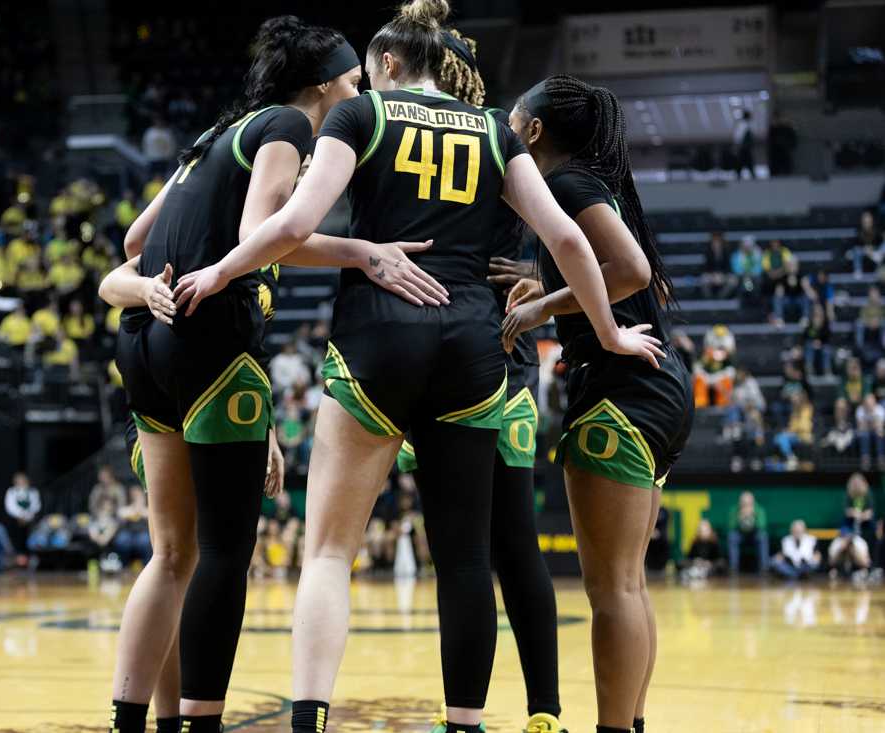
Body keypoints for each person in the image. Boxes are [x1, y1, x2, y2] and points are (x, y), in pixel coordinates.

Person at [174, 8, 664, 732]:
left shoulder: (364, 115)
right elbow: (565, 236)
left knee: (330, 551)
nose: (359, 83)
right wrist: (610, 330)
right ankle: (464, 721)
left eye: (366, 72)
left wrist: (221, 269)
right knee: (465, 558)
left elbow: (293, 225)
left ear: (389, 63)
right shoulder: (496, 130)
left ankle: (309, 715)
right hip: (473, 345)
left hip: (380, 333)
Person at [101, 17, 445, 733]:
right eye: (352, 82)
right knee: (226, 553)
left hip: (147, 344)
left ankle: (134, 721)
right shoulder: (289, 124)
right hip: (211, 342)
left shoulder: (213, 138)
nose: (359, 93)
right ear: (324, 85)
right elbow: (268, 229)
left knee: (170, 554)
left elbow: (135, 241)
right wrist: (363, 251)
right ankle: (200, 721)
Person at [500, 73, 693, 733]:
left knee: (610, 589)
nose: (505, 117)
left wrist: (540, 307)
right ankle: (630, 723)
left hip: (621, 390)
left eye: (513, 112)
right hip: (658, 388)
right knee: (629, 585)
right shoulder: (592, 187)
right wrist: (546, 279)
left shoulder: (564, 184)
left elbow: (633, 272)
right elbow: (636, 282)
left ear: (532, 131)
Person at [395, 26, 566, 732]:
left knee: (468, 550)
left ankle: (470, 714)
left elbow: (572, 226)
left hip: (460, 359)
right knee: (510, 544)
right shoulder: (496, 140)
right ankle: (544, 711)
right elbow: (569, 230)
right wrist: (544, 275)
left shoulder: (466, 137)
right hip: (500, 358)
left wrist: (540, 278)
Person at [829, 473, 874, 582]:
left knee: (861, 548)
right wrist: (855, 513)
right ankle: (836, 569)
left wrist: (862, 516)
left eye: (859, 483)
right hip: (848, 528)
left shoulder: (868, 496)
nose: (856, 486)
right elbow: (847, 511)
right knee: (841, 546)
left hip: (864, 528)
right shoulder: (848, 496)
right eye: (854, 483)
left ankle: (868, 568)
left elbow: (870, 512)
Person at [728, 491, 769, 575]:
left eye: (748, 502)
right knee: (732, 536)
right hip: (740, 535)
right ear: (740, 502)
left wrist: (754, 516)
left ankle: (764, 568)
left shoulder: (759, 509)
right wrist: (739, 518)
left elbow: (762, 526)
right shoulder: (734, 509)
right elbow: (731, 526)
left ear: (753, 501)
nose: (746, 504)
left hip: (754, 535)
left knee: (763, 536)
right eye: (744, 502)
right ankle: (733, 568)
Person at [4, 472, 41, 556]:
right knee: (16, 535)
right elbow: (10, 506)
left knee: (31, 533)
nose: (21, 483)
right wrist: (20, 515)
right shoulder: (11, 492)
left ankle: (31, 553)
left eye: (23, 481)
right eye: (18, 481)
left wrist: (27, 516)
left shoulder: (33, 492)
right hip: (15, 519)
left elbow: (36, 506)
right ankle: (17, 554)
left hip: (30, 519)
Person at [701, 232, 735, 299]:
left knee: (733, 280)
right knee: (703, 279)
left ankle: (721, 296)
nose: (716, 245)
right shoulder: (708, 253)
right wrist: (713, 275)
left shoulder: (726, 252)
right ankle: (708, 298)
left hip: (723, 275)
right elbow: (705, 268)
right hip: (712, 276)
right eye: (714, 243)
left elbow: (729, 268)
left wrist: (722, 275)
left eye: (718, 243)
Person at [733, 109, 754, 179]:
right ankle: (740, 174)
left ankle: (740, 174)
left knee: (744, 161)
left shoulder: (745, 125)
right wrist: (741, 145)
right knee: (744, 161)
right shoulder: (743, 125)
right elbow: (738, 137)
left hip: (744, 147)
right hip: (744, 147)